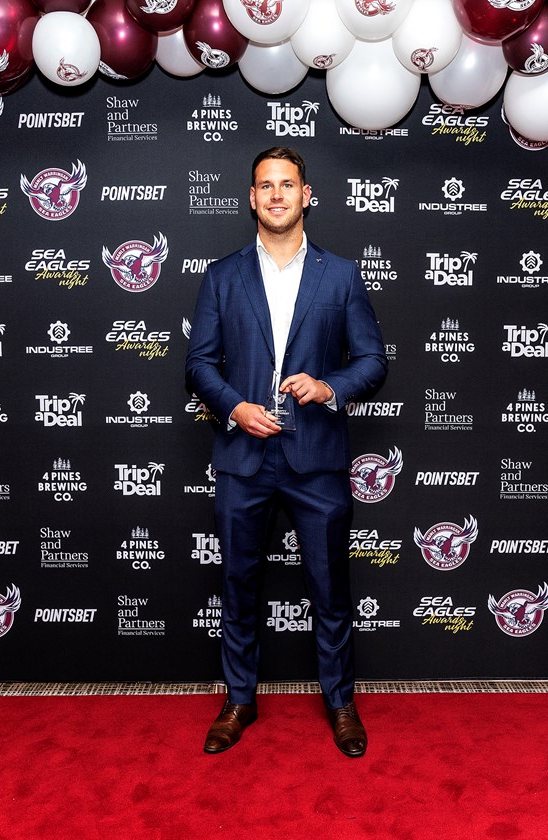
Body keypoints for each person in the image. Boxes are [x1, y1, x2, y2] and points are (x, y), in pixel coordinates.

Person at [185, 147, 387, 758]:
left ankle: (341, 703)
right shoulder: (222, 276)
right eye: (266, 185)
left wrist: (328, 387)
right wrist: (234, 407)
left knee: (330, 588)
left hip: (316, 458)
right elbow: (198, 365)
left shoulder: (340, 275)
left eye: (288, 184)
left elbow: (373, 361)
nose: (277, 194)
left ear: (307, 195)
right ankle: (239, 700)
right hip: (243, 456)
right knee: (238, 584)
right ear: (252, 198)